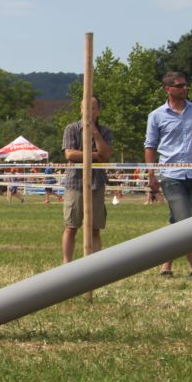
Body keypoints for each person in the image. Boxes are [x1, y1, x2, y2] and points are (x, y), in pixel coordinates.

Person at [145, 71, 192, 278]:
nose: (185, 88)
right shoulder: (156, 115)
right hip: (171, 175)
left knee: (178, 218)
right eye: (180, 85)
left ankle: (166, 265)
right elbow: (150, 146)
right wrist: (151, 174)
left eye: (186, 84)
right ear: (168, 89)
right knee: (185, 220)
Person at [61, 96, 113, 263]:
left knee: (94, 229)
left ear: (98, 111)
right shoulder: (71, 129)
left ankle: (94, 265)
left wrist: (95, 133)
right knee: (71, 226)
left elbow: (106, 154)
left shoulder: (105, 131)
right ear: (80, 110)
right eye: (85, 107)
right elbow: (69, 154)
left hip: (97, 183)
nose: (88, 111)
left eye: (93, 108)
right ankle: (67, 264)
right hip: (75, 183)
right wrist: (95, 155)